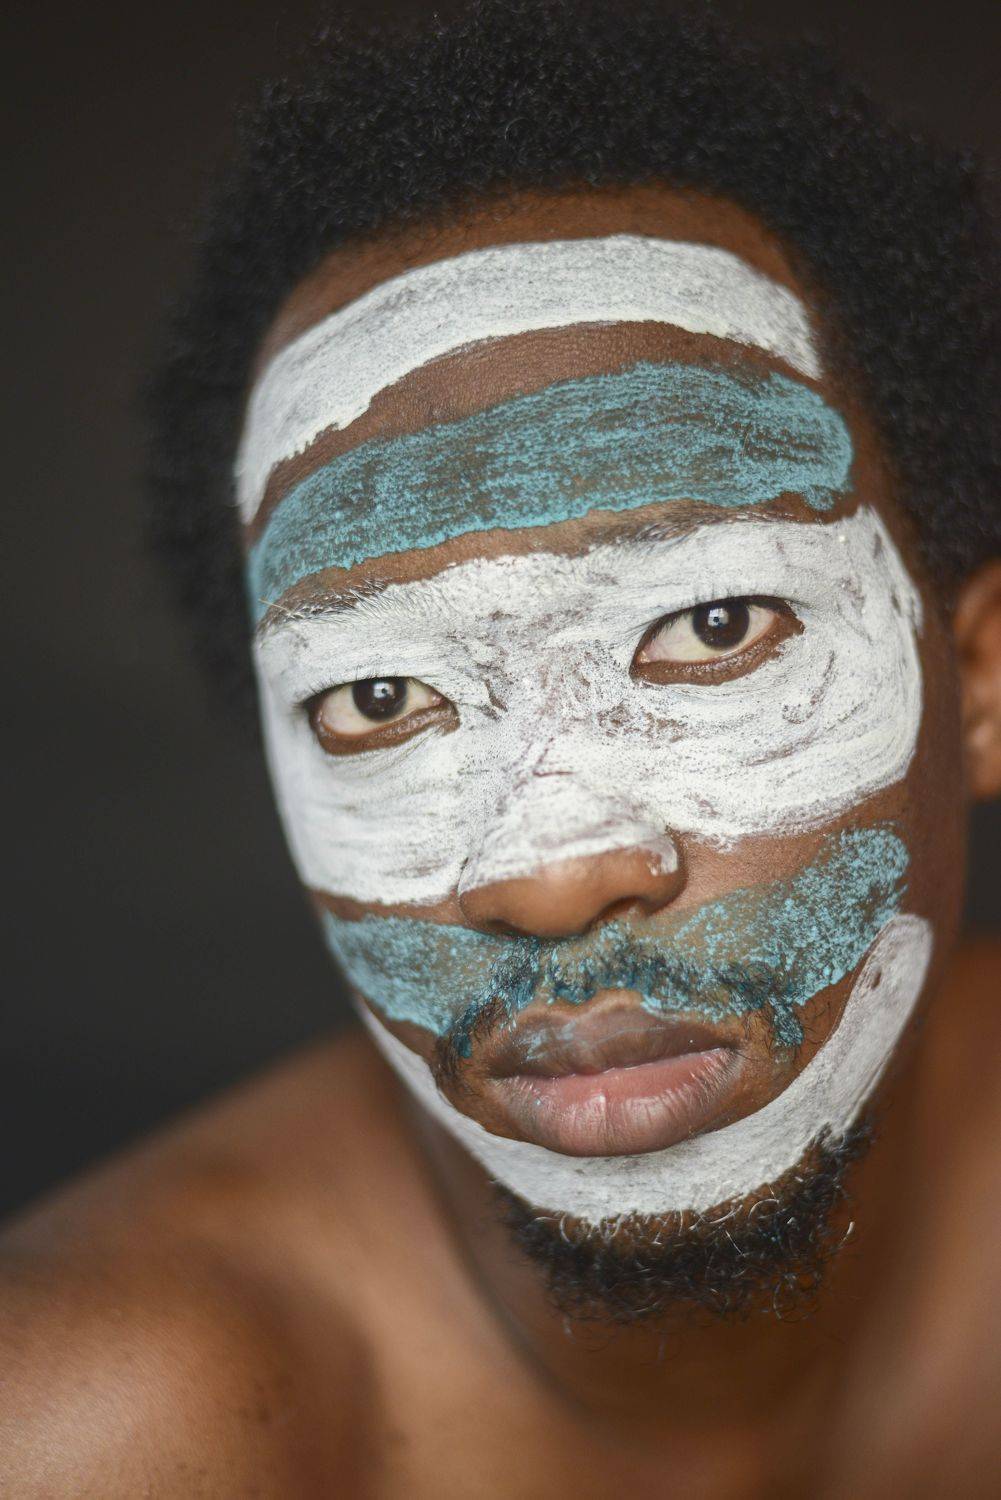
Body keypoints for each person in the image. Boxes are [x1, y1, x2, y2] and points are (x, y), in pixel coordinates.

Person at [3, 1, 1000, 1493]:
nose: (552, 878)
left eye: (714, 624)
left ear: (979, 681)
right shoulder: (87, 1436)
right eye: (376, 699)